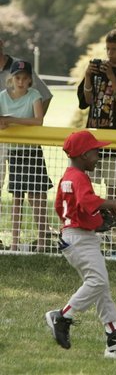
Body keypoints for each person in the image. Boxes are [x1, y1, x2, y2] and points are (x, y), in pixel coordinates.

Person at [46, 130, 116, 351]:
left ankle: (113, 333)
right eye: (95, 152)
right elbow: (86, 200)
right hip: (79, 239)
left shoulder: (69, 176)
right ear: (83, 155)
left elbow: (63, 207)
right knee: (98, 282)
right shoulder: (79, 177)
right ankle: (62, 317)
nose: (98, 155)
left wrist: (95, 221)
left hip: (74, 235)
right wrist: (113, 202)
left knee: (101, 285)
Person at [77, 29, 116, 200]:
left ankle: (111, 222)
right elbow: (86, 101)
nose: (110, 53)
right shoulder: (98, 70)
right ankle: (91, 218)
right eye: (108, 49)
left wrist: (112, 76)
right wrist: (88, 76)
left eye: (115, 49)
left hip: (115, 139)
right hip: (93, 139)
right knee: (88, 182)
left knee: (112, 184)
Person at [0, 60, 53, 252]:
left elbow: (38, 121)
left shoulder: (35, 95)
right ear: (11, 79)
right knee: (17, 198)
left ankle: (42, 241)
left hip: (32, 151)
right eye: (17, 78)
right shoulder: (2, 97)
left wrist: (12, 120)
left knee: (37, 196)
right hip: (14, 153)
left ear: (30, 80)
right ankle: (15, 242)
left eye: (24, 78)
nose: (20, 82)